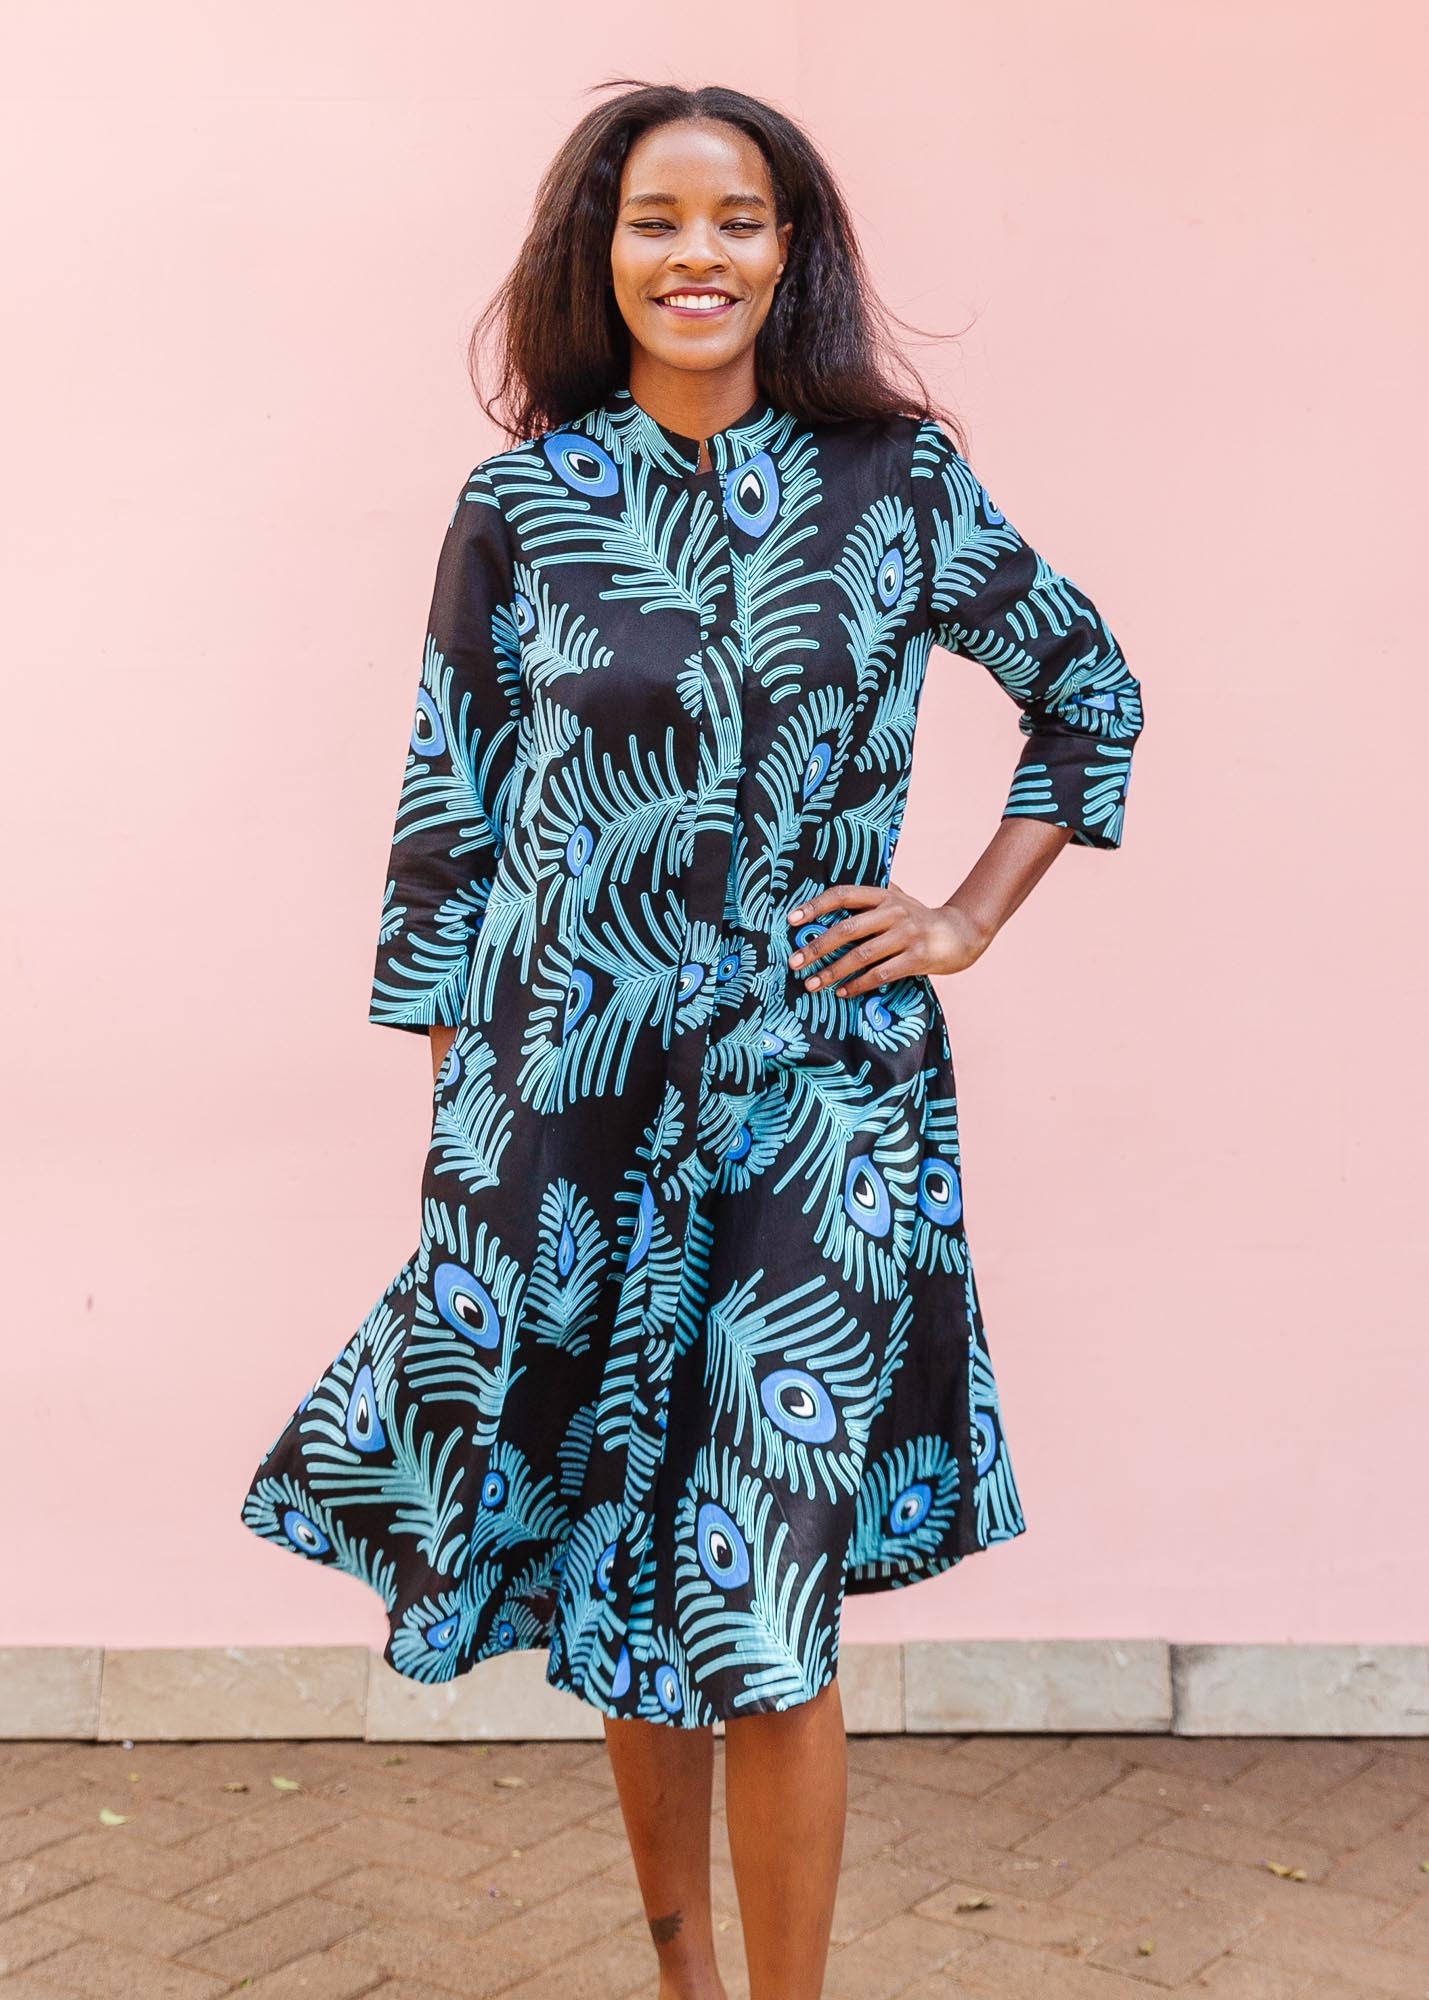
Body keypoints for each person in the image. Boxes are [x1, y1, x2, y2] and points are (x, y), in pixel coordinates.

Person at [241, 78, 1143, 2000]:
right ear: (601, 253)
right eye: (656, 220)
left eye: (738, 220)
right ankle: (679, 1985)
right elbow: (447, 818)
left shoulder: (893, 485)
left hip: (819, 1111)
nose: (697, 256)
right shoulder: (524, 503)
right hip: (561, 1104)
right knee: (616, 1566)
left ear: (790, 251)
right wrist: (462, 1152)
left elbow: (1086, 687)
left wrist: (965, 914)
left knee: (760, 1586)